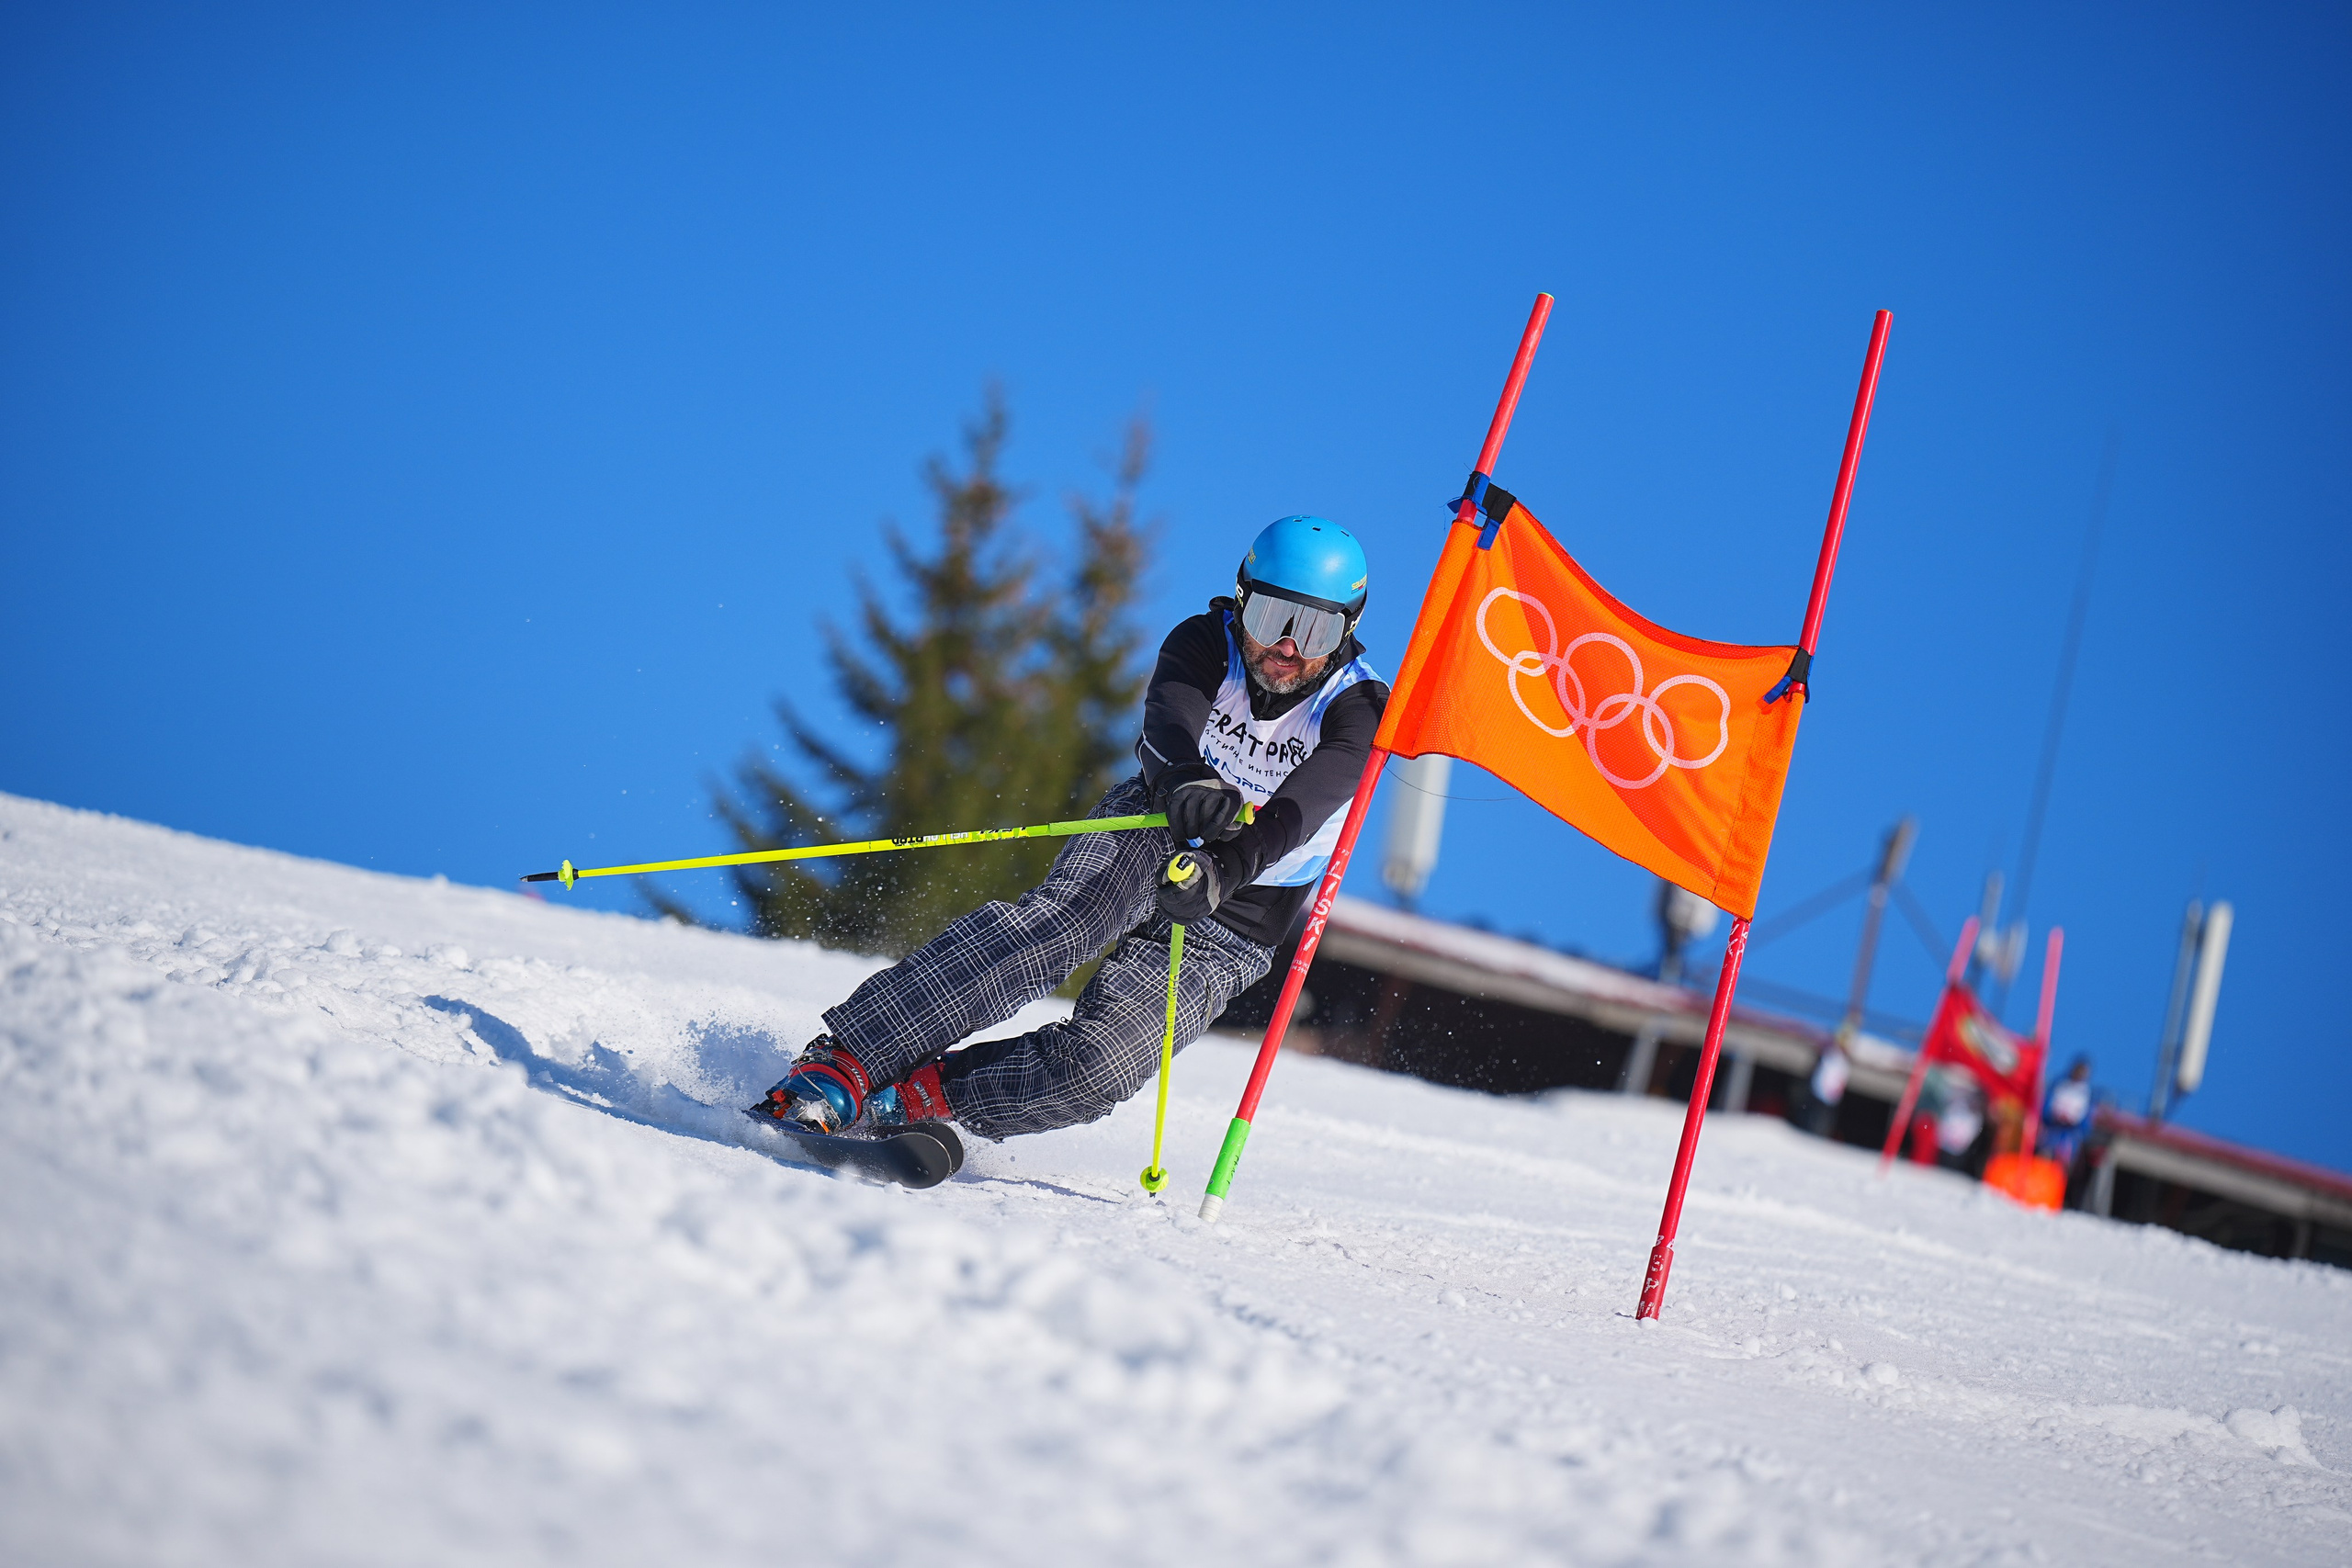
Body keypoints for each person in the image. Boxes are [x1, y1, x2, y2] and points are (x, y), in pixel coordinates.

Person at [750, 515, 1388, 1143]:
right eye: (1273, 619)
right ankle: (848, 1060)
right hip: (1154, 829)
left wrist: (1225, 868)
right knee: (1063, 927)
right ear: (1243, 599)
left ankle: (917, 1099)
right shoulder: (1204, 641)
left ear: (1348, 630)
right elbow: (1166, 727)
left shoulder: (1360, 710)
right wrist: (1185, 782)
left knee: (1106, 1063)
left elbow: (1296, 814)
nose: (1288, 648)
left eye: (1316, 629)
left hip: (1242, 909)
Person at [2040, 1055, 2095, 1168]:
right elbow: (2046, 1106)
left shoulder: (2087, 1093)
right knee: (2044, 1156)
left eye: (2083, 1072)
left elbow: (2086, 1121)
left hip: (2070, 1133)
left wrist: (2076, 1124)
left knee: (2063, 1162)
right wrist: (2053, 1116)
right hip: (2053, 1129)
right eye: (2079, 1071)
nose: (2080, 1074)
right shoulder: (2060, 1084)